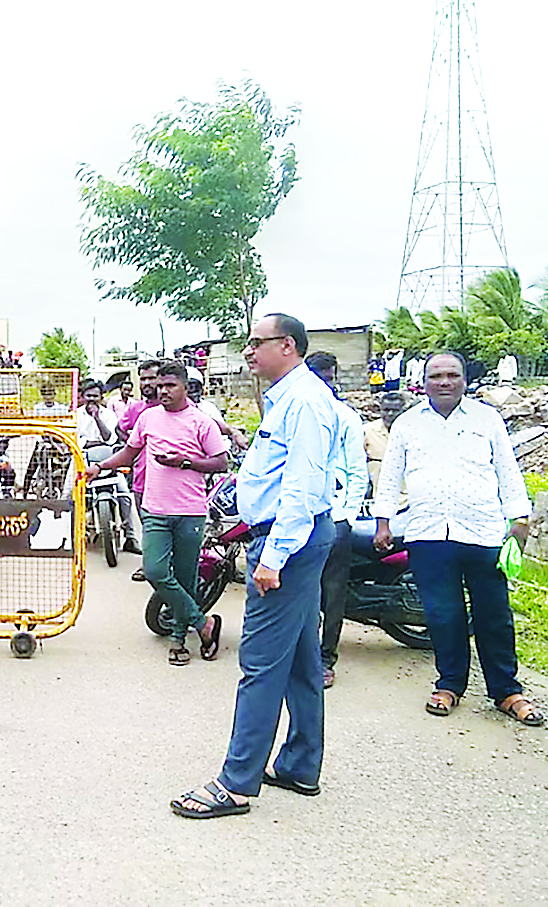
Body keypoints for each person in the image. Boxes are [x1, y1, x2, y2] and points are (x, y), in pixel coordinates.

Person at [171, 313, 339, 819]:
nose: (247, 352)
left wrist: (274, 555)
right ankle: (299, 765)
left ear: (287, 346)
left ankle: (237, 781)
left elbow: (303, 486)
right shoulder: (289, 397)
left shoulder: (305, 402)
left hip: (290, 539)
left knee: (261, 664)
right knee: (303, 660)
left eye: (255, 343)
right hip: (294, 537)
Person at [373, 352, 543, 727]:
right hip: (428, 533)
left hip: (482, 531)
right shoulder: (406, 424)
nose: (444, 382)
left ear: (464, 380)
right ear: (424, 382)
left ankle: (507, 691)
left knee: (493, 614)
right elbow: (390, 475)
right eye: (436, 376)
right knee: (443, 615)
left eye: (452, 375)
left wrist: (520, 519)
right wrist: (383, 521)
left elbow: (507, 471)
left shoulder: (488, 419)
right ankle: (449, 685)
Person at [86, 363, 229, 664]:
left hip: (190, 513)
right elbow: (130, 451)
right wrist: (100, 467)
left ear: (185, 387)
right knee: (155, 571)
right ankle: (204, 624)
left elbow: (220, 463)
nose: (163, 390)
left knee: (186, 577)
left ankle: (178, 639)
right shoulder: (148, 417)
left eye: (170, 385)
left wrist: (185, 462)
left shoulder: (202, 422)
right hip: (154, 511)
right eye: (159, 385)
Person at [305, 352, 367, 689]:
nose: (323, 384)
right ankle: (302, 654)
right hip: (300, 517)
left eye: (328, 377)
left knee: (332, 592)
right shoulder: (293, 412)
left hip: (335, 517)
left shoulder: (346, 418)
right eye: (317, 376)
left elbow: (358, 472)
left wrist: (347, 516)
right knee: (302, 590)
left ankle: (326, 658)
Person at [74, 381, 141, 555]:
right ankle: (70, 536)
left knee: (125, 495)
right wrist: (92, 442)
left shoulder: (109, 415)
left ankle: (130, 538)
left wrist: (97, 418)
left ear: (101, 397)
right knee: (69, 494)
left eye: (95, 396)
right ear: (82, 397)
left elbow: (110, 439)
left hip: (108, 460)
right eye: (88, 396)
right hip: (82, 460)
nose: (91, 400)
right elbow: (76, 441)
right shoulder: (76, 415)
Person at [118, 360, 164, 580]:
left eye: (151, 377)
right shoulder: (135, 408)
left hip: (171, 478)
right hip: (142, 477)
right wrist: (135, 445)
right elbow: (120, 428)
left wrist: (231, 431)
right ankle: (148, 565)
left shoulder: (175, 406)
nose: (146, 383)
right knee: (148, 523)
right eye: (143, 378)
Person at [186, 366, 248, 450]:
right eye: (187, 387)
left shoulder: (207, 407)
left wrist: (234, 433)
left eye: (194, 387)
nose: (191, 391)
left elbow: (220, 431)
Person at [363, 392, 407, 497]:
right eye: (386, 410)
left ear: (403, 411)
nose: (390, 414)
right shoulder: (368, 431)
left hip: (408, 499)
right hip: (379, 498)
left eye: (395, 411)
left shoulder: (414, 432)